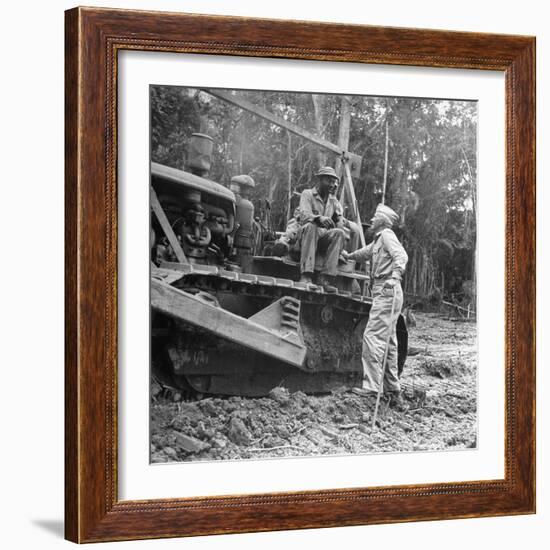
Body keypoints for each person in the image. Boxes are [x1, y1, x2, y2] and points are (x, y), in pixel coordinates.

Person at [342, 203, 408, 409]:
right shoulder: (379, 240)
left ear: (382, 221)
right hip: (387, 291)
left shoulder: (387, 235)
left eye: (374, 217)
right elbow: (367, 252)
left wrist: (395, 276)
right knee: (389, 343)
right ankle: (393, 389)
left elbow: (401, 256)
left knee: (372, 336)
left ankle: (371, 388)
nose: (371, 221)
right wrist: (350, 256)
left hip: (387, 289)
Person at [296, 167, 346, 293]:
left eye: (334, 182)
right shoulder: (307, 194)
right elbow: (303, 216)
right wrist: (318, 218)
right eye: (328, 181)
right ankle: (306, 276)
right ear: (319, 180)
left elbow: (338, 222)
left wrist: (339, 221)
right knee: (312, 226)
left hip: (322, 239)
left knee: (339, 233)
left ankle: (324, 278)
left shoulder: (333, 201)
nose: (332, 185)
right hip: (305, 237)